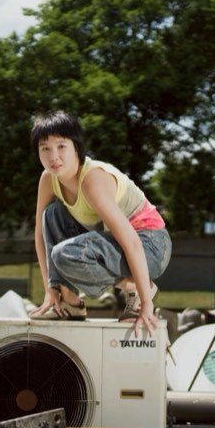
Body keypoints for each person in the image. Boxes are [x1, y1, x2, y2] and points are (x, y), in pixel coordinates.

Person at [28, 111, 171, 333]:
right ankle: (70, 302)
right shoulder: (48, 179)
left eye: (61, 146)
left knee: (65, 254)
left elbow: (132, 242)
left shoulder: (92, 179)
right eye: (45, 148)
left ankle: (135, 287)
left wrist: (145, 301)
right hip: (115, 244)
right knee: (52, 214)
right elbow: (40, 232)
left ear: (76, 147)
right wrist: (50, 289)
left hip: (151, 246)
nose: (53, 156)